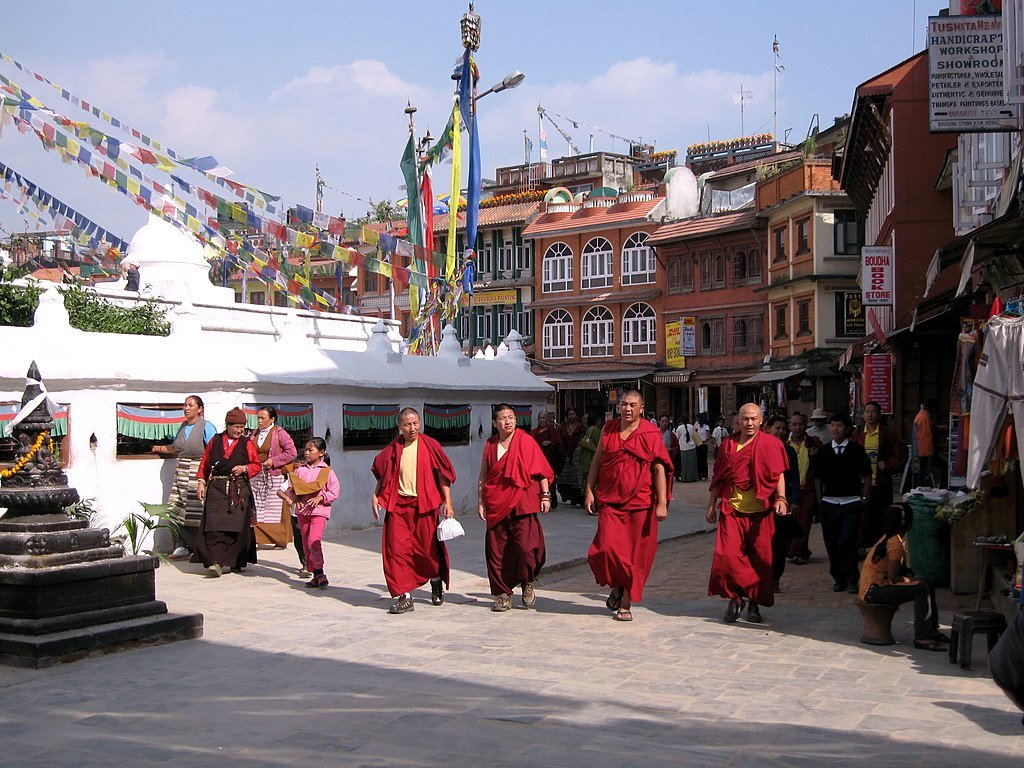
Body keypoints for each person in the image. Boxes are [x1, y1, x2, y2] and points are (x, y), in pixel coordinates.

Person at [586, 390, 672, 622]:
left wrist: (662, 503)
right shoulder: (609, 428)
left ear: (641, 408)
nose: (627, 409)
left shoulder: (650, 433)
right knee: (604, 549)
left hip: (641, 503)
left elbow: (659, 468)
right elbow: (597, 461)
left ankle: (626, 602)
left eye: (633, 405)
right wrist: (589, 490)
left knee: (635, 556)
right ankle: (617, 586)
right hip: (611, 501)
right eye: (624, 404)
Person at [707, 403, 790, 624]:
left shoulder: (771, 444)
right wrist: (710, 506)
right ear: (739, 420)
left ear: (761, 420)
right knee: (727, 558)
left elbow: (777, 473)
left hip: (761, 513)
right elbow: (719, 477)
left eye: (754, 419)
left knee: (761, 560)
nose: (749, 423)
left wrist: (781, 498)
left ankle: (754, 603)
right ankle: (735, 598)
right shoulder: (728, 445)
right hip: (732, 510)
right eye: (745, 419)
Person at [371, 407, 457, 614]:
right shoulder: (393, 448)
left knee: (426, 550)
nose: (412, 428)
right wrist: (375, 494)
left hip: (424, 506)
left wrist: (448, 502)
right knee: (396, 551)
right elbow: (384, 474)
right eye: (407, 424)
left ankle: (435, 579)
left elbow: (442, 476)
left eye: (415, 423)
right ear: (399, 426)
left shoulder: (430, 446)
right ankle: (405, 596)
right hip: (399, 506)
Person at [478, 403, 554, 612]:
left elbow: (541, 471)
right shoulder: (490, 445)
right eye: (502, 418)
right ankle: (502, 594)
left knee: (526, 548)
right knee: (497, 551)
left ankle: (527, 581)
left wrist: (545, 495)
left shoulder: (526, 441)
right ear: (495, 423)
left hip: (523, 501)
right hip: (496, 502)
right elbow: (484, 476)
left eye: (511, 417)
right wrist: (480, 501)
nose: (507, 421)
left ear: (516, 420)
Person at [859, 502, 948, 651]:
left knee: (926, 583)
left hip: (874, 588)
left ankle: (932, 629)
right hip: (874, 591)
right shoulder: (895, 544)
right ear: (909, 524)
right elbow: (893, 578)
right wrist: (911, 581)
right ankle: (923, 636)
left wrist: (911, 578)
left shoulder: (892, 538)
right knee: (921, 588)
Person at [194, 407, 261, 578]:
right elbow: (205, 464)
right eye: (236, 427)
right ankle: (216, 562)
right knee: (214, 525)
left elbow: (256, 465)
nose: (239, 430)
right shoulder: (215, 441)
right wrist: (201, 483)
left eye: (242, 427)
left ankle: (234, 560)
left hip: (238, 489)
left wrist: (245, 468)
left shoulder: (247, 443)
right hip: (216, 488)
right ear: (227, 425)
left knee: (235, 527)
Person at [152, 395, 216, 560]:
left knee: (196, 513)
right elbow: (176, 447)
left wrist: (207, 475)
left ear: (200, 409)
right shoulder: (182, 427)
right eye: (185, 405)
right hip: (181, 474)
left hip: (198, 474)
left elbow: (213, 451)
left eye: (190, 405)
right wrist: (158, 447)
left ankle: (200, 547)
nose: (186, 408)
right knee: (176, 510)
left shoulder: (206, 427)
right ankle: (180, 545)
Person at [815, 413, 871, 594]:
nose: (835, 429)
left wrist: (864, 496)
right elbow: (817, 477)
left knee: (847, 541)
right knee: (831, 543)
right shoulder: (824, 451)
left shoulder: (856, 450)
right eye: (832, 426)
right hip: (829, 502)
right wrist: (820, 500)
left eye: (838, 426)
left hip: (851, 502)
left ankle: (852, 578)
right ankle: (838, 578)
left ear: (846, 429)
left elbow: (868, 474)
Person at [283, 437, 340, 589]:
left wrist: (321, 497)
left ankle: (320, 572)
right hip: (302, 512)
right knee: (306, 544)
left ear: (322, 452)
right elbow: (291, 487)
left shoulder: (326, 472)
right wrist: (294, 496)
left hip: (319, 511)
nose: (306, 453)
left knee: (313, 541)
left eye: (310, 450)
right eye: (306, 450)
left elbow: (334, 491)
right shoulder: (299, 470)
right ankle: (315, 575)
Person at [852, 401, 906, 550]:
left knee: (881, 516)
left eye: (873, 412)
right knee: (862, 517)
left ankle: (880, 547)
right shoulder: (857, 435)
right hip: (862, 484)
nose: (870, 414)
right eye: (867, 411)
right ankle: (862, 547)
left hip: (881, 483)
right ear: (863, 415)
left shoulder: (888, 433)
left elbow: (900, 455)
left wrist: (887, 465)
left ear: (880, 415)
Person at [250, 406, 298, 549]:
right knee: (257, 507)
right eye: (258, 418)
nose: (259, 421)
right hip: (257, 476)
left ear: (272, 419)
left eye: (262, 418)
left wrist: (273, 461)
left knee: (275, 508)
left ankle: (279, 539)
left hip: (274, 476)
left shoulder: (279, 433)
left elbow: (292, 452)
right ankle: (257, 538)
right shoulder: (254, 434)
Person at [766, 414, 800, 592]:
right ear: (767, 429)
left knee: (779, 542)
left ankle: (776, 578)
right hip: (761, 503)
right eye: (777, 428)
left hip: (782, 502)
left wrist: (794, 500)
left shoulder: (789, 451)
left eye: (783, 429)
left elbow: (794, 476)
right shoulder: (760, 448)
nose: (781, 431)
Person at [786, 412, 821, 565]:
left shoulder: (813, 443)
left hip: (808, 488)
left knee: (804, 519)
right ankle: (800, 550)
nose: (798, 427)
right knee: (791, 520)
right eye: (795, 424)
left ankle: (798, 552)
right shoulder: (785, 445)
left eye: (801, 424)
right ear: (790, 426)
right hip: (790, 488)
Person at [531, 412, 564, 510]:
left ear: (547, 419)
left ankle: (552, 498)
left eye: (543, 418)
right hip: (537, 460)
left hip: (550, 459)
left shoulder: (552, 431)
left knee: (551, 480)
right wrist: (541, 444)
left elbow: (559, 444)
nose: (541, 420)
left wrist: (550, 443)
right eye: (540, 418)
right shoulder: (534, 432)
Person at [557, 407, 584, 506]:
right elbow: (560, 440)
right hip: (564, 454)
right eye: (569, 414)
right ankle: (566, 495)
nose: (571, 416)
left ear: (576, 416)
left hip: (576, 454)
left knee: (576, 478)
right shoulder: (563, 426)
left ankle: (575, 498)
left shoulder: (580, 427)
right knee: (563, 477)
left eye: (573, 414)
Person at [912, 399, 939, 487]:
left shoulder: (922, 416)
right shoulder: (924, 418)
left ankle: (918, 489)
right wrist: (929, 453)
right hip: (923, 451)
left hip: (920, 450)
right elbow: (925, 437)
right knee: (922, 473)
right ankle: (919, 490)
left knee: (920, 472)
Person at [577, 413, 603, 495]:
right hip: (591, 458)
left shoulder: (588, 429)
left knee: (586, 479)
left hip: (586, 458)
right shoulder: (596, 430)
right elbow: (597, 442)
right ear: (597, 421)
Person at [674, 417, 698, 482]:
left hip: (684, 448)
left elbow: (677, 438)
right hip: (692, 447)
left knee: (685, 464)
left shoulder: (679, 428)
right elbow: (694, 436)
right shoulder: (691, 426)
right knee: (692, 464)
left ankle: (685, 478)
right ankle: (693, 477)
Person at [694, 416, 711, 480]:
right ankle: (699, 474)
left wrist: (705, 440)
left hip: (703, 444)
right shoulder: (696, 425)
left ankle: (704, 475)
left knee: (703, 460)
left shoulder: (706, 426)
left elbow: (709, 435)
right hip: (698, 444)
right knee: (698, 460)